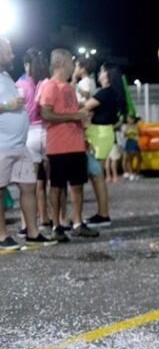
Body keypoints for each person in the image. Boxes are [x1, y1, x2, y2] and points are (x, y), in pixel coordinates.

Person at [0, 37, 55, 250]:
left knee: (29, 187)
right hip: (2, 146)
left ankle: (32, 233)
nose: (13, 55)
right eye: (8, 51)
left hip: (19, 146)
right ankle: (2, 236)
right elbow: (6, 105)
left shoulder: (5, 76)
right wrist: (7, 104)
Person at [39, 48, 97, 242]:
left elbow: (74, 113)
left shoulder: (70, 88)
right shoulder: (50, 86)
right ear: (62, 63)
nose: (74, 66)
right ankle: (57, 226)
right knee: (56, 187)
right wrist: (74, 116)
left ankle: (78, 223)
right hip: (58, 146)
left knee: (77, 185)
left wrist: (83, 134)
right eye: (72, 62)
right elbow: (45, 113)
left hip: (76, 144)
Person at [81, 62, 128, 228]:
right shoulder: (112, 92)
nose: (99, 74)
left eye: (101, 71)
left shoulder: (105, 93)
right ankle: (101, 212)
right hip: (102, 133)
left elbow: (85, 106)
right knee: (96, 176)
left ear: (108, 74)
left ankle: (103, 214)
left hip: (99, 134)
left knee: (97, 175)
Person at [15, 48, 51, 236]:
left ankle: (25, 225)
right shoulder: (46, 83)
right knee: (50, 182)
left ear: (27, 64)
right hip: (47, 131)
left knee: (29, 183)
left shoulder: (20, 83)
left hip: (29, 134)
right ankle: (50, 219)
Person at [121, 114, 141, 180]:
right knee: (130, 159)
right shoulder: (126, 126)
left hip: (135, 143)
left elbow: (138, 134)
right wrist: (128, 133)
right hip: (129, 142)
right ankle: (131, 173)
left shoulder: (136, 126)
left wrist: (137, 137)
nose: (129, 120)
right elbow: (124, 135)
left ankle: (136, 173)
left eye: (130, 119)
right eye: (128, 119)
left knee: (139, 158)